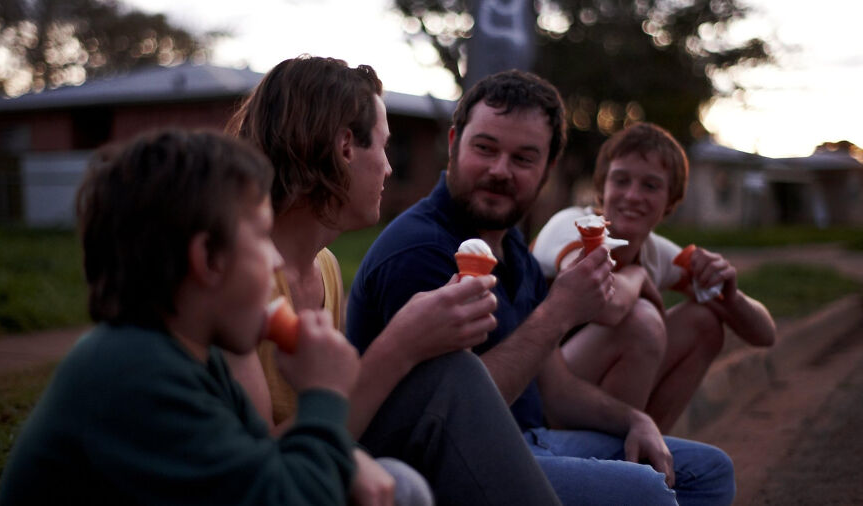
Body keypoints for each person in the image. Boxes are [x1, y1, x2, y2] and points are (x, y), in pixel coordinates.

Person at [348, 70, 737, 505]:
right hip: (447, 467)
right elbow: (447, 417)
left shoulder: (512, 247)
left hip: (530, 439)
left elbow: (556, 390)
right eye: (485, 148)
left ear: (549, 167)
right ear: (454, 143)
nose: (500, 170)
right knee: (645, 491)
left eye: (524, 158)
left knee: (709, 472)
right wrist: (559, 312)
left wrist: (634, 420)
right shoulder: (420, 251)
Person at [225, 55, 561, 506]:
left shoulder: (323, 266)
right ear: (345, 148)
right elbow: (260, 473)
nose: (387, 168)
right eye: (383, 147)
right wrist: (402, 344)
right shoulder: (235, 284)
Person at [0, 129, 361, 505]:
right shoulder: (132, 372)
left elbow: (260, 463)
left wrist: (346, 460)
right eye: (262, 236)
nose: (276, 261)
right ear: (207, 257)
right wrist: (325, 394)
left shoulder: (200, 360)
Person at [531, 122, 776, 432]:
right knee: (642, 321)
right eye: (621, 180)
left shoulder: (657, 252)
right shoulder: (574, 225)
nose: (633, 195)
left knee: (705, 321)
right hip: (538, 389)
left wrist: (731, 295)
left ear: (670, 203)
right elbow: (604, 305)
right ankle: (615, 464)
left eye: (650, 186)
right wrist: (636, 275)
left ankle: (650, 455)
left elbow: (765, 335)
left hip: (582, 378)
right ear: (602, 189)